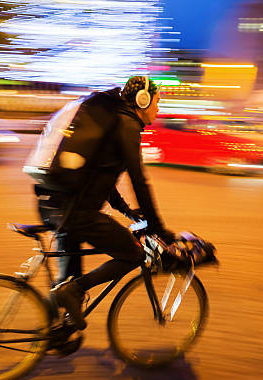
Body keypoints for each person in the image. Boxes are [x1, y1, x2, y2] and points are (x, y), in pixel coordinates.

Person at [34, 76, 175, 330]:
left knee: (66, 287)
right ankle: (72, 291)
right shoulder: (127, 125)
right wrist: (157, 227)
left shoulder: (112, 121)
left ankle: (54, 334)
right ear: (142, 101)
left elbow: (100, 174)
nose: (158, 108)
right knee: (133, 253)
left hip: (55, 205)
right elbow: (138, 180)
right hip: (76, 214)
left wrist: (126, 211)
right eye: (156, 101)